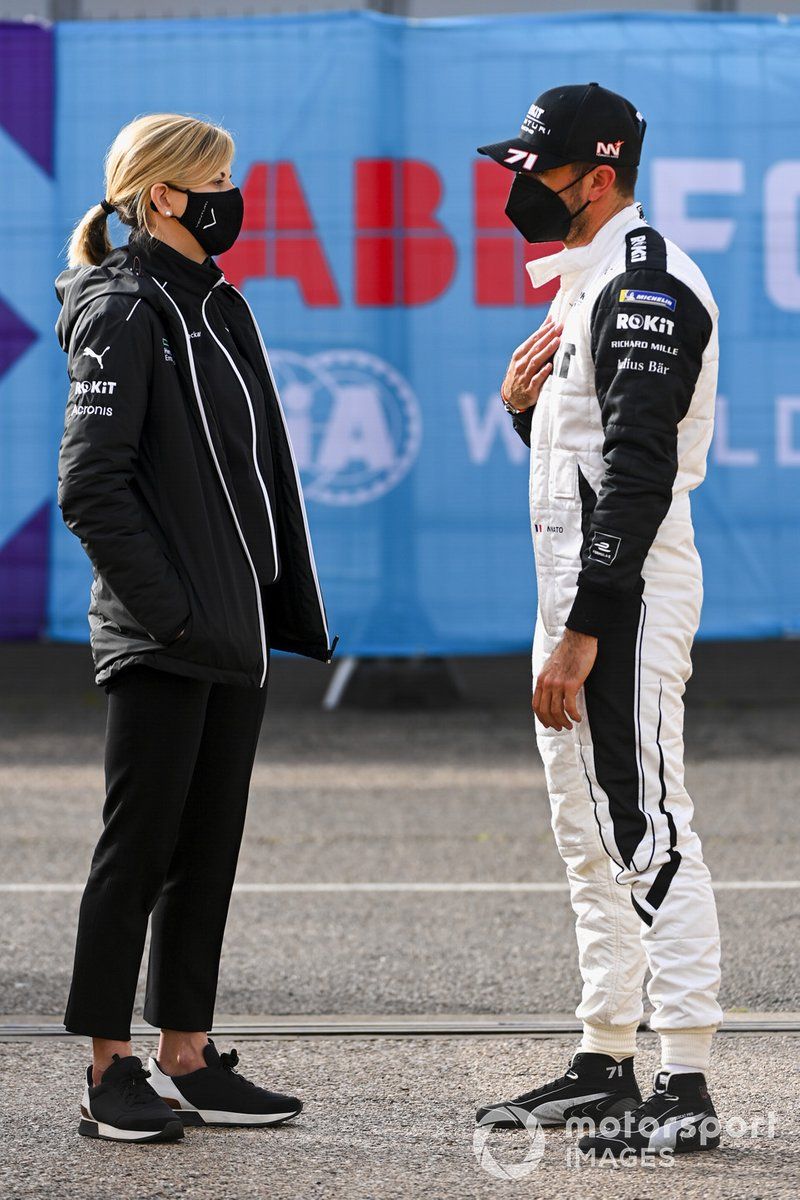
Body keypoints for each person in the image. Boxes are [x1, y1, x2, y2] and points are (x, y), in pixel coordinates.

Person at [55, 112, 336, 1144]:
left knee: (204, 852)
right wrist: (168, 611)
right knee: (136, 851)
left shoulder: (217, 305)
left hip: (231, 635)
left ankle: (185, 1053)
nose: (233, 194)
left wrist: (253, 611)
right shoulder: (122, 308)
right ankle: (107, 1070)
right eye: (217, 177)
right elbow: (92, 487)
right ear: (164, 195)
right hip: (166, 634)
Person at [473, 83, 723, 1157]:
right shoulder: (582, 289)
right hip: (580, 597)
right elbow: (579, 461)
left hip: (614, 600)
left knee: (644, 824)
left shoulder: (640, 286)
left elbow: (636, 475)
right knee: (589, 835)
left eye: (535, 168)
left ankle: (686, 1079)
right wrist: (521, 415)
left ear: (598, 174)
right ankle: (603, 1058)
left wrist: (583, 627)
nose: (517, 186)